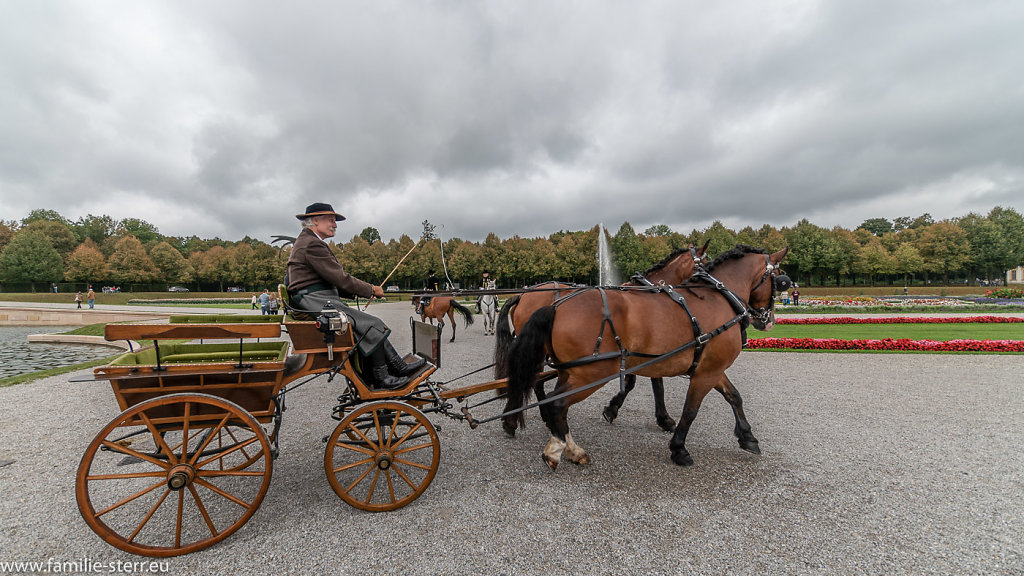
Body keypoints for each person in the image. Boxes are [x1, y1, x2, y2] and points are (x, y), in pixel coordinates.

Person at [287, 202, 425, 389]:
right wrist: (371, 289)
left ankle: (395, 368)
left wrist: (361, 291)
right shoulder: (312, 244)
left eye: (335, 220)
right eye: (331, 220)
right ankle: (384, 377)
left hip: (315, 298)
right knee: (371, 325)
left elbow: (333, 280)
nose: (335, 224)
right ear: (315, 220)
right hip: (314, 300)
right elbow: (340, 278)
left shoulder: (308, 241)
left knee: (367, 324)